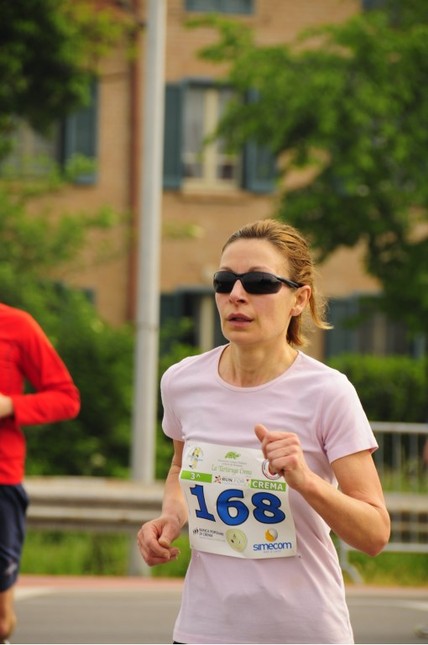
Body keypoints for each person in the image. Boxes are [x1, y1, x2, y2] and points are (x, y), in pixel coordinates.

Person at [137, 218, 390, 644]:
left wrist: (305, 480)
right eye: (224, 282)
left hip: (303, 632)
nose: (237, 294)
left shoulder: (328, 392)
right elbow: (180, 468)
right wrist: (171, 518)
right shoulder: (182, 382)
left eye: (259, 282)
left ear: (299, 299)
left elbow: (375, 534)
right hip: (203, 629)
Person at [0, 303, 80, 643]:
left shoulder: (16, 325)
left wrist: (10, 405)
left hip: (1, 480)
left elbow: (66, 398)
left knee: (1, 621)